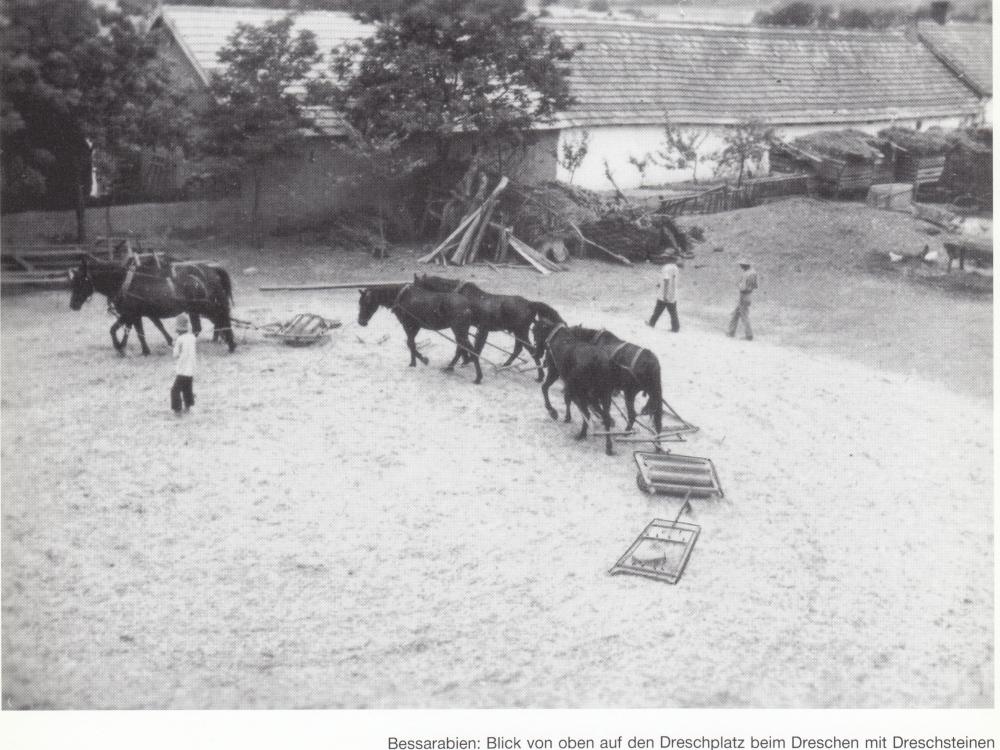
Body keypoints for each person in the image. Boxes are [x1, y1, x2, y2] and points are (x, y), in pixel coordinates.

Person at [170, 313, 197, 414]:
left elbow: (175, 355)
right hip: (191, 369)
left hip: (182, 370)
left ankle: (177, 409)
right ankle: (188, 406)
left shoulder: (179, 340)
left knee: (175, 390)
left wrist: (173, 346)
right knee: (187, 388)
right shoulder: (193, 338)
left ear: (178, 329)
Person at [647, 254, 680, 332]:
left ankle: (652, 323)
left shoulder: (666, 268)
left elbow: (666, 280)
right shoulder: (675, 267)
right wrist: (660, 283)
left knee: (658, 309)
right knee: (673, 312)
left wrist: (665, 295)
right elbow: (672, 279)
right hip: (673, 292)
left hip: (664, 293)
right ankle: (675, 328)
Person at [727, 258, 758, 340]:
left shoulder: (746, 274)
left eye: (741, 265)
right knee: (735, 314)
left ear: (745, 265)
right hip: (749, 296)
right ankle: (731, 332)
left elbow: (743, 288)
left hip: (743, 297)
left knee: (744, 316)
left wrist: (738, 284)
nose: (740, 266)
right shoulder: (754, 272)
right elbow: (755, 286)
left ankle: (749, 335)